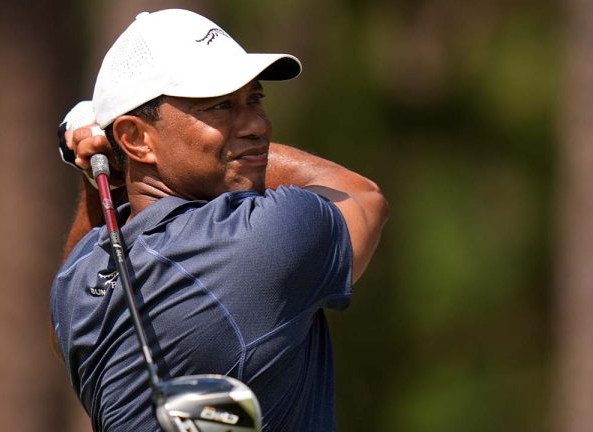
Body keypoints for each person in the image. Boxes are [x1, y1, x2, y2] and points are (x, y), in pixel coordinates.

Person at [50, 8, 389, 431]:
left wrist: (98, 171)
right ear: (137, 137)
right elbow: (362, 196)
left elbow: (65, 332)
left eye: (255, 99)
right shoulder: (262, 238)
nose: (258, 125)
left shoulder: (78, 284)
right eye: (220, 106)